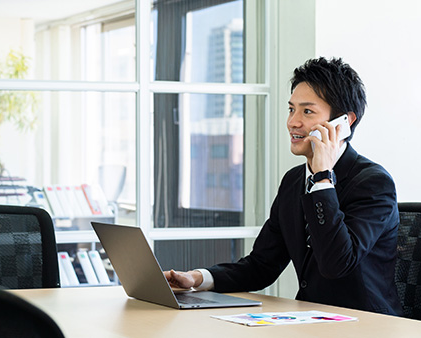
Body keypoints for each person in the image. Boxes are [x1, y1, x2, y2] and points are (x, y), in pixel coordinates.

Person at [164, 57, 403, 316]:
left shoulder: (373, 183)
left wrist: (323, 179)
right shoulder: (294, 181)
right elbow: (261, 265)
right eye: (291, 109)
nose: (293, 122)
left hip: (365, 324)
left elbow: (336, 264)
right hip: (311, 321)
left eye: (307, 111)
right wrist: (198, 279)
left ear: (345, 122)